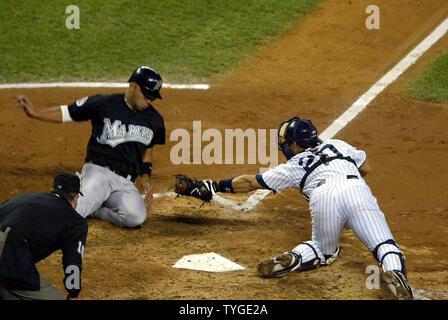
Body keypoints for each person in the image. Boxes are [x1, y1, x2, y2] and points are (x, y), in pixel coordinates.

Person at [174, 116, 414, 300]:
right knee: (384, 245)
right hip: (356, 188)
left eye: (287, 143)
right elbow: (366, 168)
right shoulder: (338, 144)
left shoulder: (295, 165)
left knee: (324, 250)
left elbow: (249, 183)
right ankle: (395, 274)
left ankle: (294, 257)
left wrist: (211, 186)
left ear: (296, 144)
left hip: (323, 197)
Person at [15, 66, 166, 228]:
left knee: (135, 217)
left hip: (125, 183)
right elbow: (68, 112)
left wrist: (145, 179)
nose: (149, 101)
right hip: (99, 172)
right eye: (146, 95)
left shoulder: (155, 120)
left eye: (152, 97)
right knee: (76, 211)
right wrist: (35, 112)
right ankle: (29, 221)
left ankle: (97, 210)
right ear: (132, 86)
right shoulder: (104, 104)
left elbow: (148, 151)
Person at [0, 173, 87, 300]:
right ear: (75, 198)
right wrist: (73, 293)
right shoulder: (75, 221)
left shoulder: (23, 198)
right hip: (9, 250)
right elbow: (72, 263)